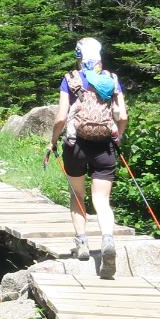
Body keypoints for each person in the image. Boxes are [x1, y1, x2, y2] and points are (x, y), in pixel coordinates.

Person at [48, 37, 128, 278]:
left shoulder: (71, 79)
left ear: (79, 57)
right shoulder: (111, 79)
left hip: (76, 146)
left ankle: (81, 242)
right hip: (105, 146)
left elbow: (61, 117)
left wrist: (52, 141)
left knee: (77, 194)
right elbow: (123, 116)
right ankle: (107, 240)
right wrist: (118, 137)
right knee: (102, 200)